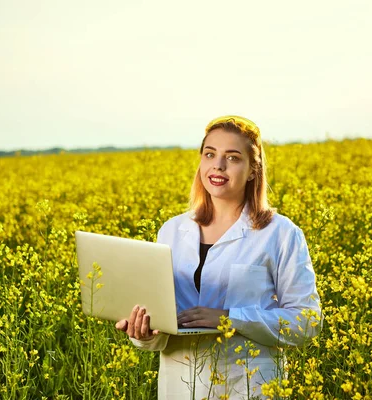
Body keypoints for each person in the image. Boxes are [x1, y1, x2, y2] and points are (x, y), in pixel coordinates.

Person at [115, 115, 321, 399]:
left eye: (233, 158)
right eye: (210, 154)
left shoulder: (281, 233)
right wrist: (145, 335)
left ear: (252, 170)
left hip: (247, 387)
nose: (218, 165)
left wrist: (230, 319)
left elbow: (306, 322)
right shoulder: (172, 231)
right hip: (180, 385)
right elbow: (165, 328)